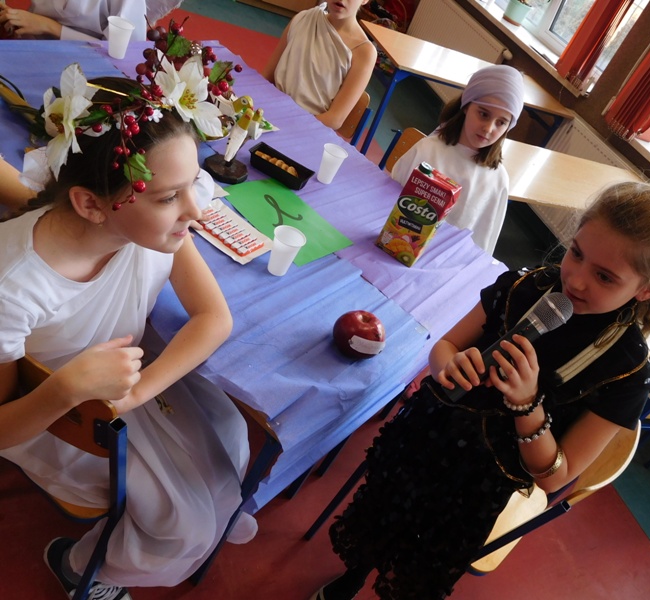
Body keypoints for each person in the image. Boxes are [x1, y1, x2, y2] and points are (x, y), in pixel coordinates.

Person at [311, 178, 650, 600]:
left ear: (649, 289)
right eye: (576, 253)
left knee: (419, 557)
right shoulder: (524, 287)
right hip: (426, 433)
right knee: (380, 512)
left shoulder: (626, 373)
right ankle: (352, 575)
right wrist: (450, 364)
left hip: (476, 484)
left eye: (604, 277)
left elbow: (554, 478)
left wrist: (527, 406)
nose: (576, 281)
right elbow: (445, 347)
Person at [0, 62, 253, 600]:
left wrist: (132, 395)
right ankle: (79, 566)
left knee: (231, 440)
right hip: (61, 416)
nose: (197, 212)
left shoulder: (145, 229)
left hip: (118, 390)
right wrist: (67, 389)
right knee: (183, 521)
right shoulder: (12, 289)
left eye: (192, 185)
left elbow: (214, 318)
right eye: (168, 197)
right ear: (90, 203)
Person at [390, 64, 525, 255]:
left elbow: (483, 244)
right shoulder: (428, 149)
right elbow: (387, 200)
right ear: (467, 106)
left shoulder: (498, 180)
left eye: (501, 122)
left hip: (447, 260)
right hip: (398, 245)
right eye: (483, 114)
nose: (488, 128)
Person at [263, 0, 377, 131]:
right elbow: (266, 77)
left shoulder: (364, 52)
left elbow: (334, 119)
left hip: (306, 128)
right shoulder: (302, 19)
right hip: (269, 111)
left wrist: (288, 125)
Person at [0, 0, 183, 41]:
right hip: (28, 47)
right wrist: (11, 17)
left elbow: (122, 54)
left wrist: (50, 27)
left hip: (85, 73)